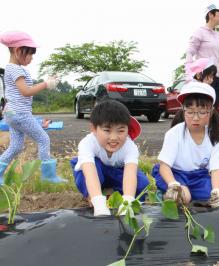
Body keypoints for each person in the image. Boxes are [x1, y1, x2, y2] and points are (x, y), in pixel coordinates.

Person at [152, 81, 219, 208]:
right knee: (184, 196)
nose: (195, 118)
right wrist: (173, 184)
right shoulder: (174, 133)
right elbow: (164, 166)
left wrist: (216, 189)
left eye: (201, 112)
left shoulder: (214, 137)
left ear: (210, 112)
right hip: (175, 173)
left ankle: (192, 193)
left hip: (198, 177)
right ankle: (166, 194)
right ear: (183, 110)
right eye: (190, 112)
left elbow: (216, 169)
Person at [0, 31, 63, 184]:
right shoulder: (15, 69)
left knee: (15, 146)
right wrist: (46, 84)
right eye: (30, 53)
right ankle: (48, 177)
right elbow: (26, 91)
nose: (32, 57)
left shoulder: (12, 68)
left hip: (12, 112)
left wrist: (45, 82)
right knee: (43, 139)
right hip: (20, 113)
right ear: (18, 50)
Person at [70, 100, 149, 216]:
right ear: (93, 129)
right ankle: (92, 197)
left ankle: (113, 195)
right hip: (95, 170)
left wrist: (127, 200)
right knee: (85, 177)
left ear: (128, 129)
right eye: (107, 130)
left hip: (116, 172)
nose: (114, 137)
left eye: (121, 131)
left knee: (142, 182)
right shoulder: (87, 143)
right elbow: (89, 171)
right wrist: (97, 200)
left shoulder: (130, 147)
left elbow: (130, 173)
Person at [185, 3, 219, 108]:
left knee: (214, 109)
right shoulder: (199, 32)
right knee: (203, 107)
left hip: (217, 78)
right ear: (210, 14)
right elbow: (190, 52)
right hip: (204, 78)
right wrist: (189, 73)